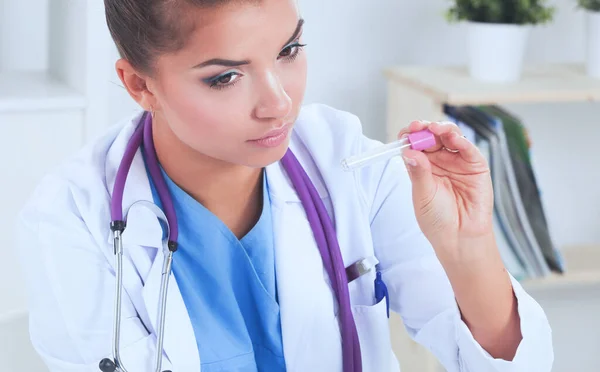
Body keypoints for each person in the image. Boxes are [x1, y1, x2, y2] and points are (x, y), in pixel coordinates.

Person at [16, 0, 553, 371]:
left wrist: (469, 249)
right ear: (139, 84)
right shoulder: (71, 222)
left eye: (289, 51)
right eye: (225, 76)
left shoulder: (349, 160)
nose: (278, 103)